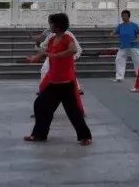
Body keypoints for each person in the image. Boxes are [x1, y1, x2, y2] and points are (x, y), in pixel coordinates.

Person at [25, 12, 91, 145]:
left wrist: (56, 55)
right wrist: (34, 59)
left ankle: (85, 137)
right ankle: (39, 135)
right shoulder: (51, 39)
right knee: (40, 105)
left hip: (66, 83)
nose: (50, 26)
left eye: (52, 23)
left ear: (58, 25)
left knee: (74, 113)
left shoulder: (67, 38)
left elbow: (72, 50)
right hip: (54, 83)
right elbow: (44, 52)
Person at [110, 9, 139, 82]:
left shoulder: (134, 25)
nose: (123, 17)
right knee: (118, 60)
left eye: (125, 16)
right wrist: (112, 33)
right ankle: (119, 77)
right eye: (122, 16)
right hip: (123, 46)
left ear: (128, 16)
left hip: (133, 46)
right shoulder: (120, 26)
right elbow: (115, 31)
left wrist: (138, 39)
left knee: (138, 61)